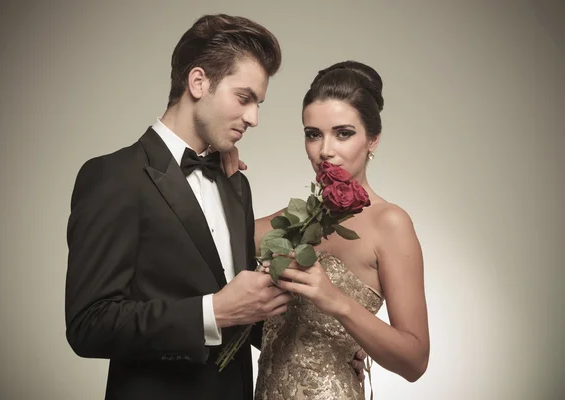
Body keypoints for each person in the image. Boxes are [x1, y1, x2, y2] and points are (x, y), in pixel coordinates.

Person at [64, 14, 293, 400]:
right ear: (198, 82)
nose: (254, 118)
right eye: (244, 98)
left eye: (258, 103)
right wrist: (212, 312)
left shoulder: (236, 183)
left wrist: (323, 345)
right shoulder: (114, 177)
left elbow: (240, 312)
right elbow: (89, 324)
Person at [224, 60, 430, 399]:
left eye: (343, 133)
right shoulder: (299, 219)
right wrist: (222, 174)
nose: (325, 151)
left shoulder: (390, 223)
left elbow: (415, 361)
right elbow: (211, 242)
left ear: (373, 139)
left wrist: (337, 302)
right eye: (313, 134)